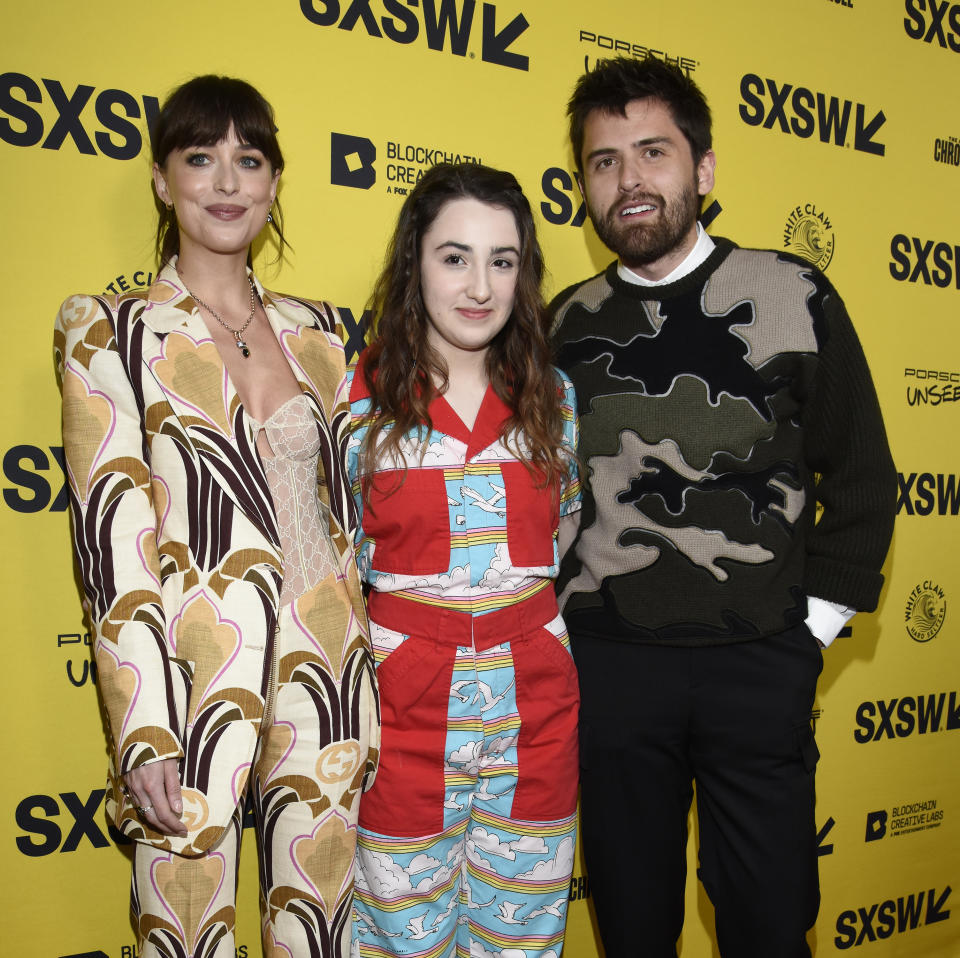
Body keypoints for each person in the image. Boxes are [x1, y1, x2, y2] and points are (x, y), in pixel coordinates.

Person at [550, 57, 896, 957]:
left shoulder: (793, 295)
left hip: (757, 667)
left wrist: (803, 633)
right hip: (611, 673)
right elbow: (532, 494)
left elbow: (861, 473)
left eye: (653, 152)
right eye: (604, 161)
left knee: (771, 924)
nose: (630, 180)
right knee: (630, 927)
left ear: (702, 170)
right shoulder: (562, 324)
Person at [54, 75, 377, 958]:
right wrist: (144, 729)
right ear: (163, 181)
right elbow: (112, 542)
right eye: (201, 158)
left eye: (250, 160)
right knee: (185, 937)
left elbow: (349, 507)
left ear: (274, 185)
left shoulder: (319, 335)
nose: (227, 182)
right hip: (194, 683)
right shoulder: (108, 330)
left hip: (332, 664)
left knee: (323, 930)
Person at [346, 162, 581, 957]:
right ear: (415, 263)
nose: (480, 285)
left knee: (525, 932)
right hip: (403, 711)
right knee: (399, 936)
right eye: (455, 257)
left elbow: (565, 543)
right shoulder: (356, 401)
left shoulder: (557, 398)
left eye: (502, 260)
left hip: (536, 707)